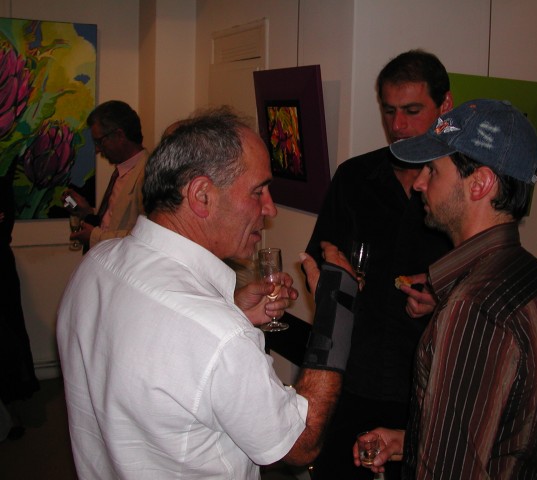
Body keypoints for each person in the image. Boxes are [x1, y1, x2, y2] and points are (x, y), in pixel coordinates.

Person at [57, 108, 359, 479]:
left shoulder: (97, 263)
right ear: (202, 195)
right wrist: (336, 310)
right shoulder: (217, 334)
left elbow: (157, 347)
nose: (270, 209)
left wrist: (232, 311)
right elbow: (300, 444)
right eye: (258, 191)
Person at [353, 99, 537, 479]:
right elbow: (499, 437)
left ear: (480, 183)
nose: (419, 183)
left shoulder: (474, 306)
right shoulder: (535, 279)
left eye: (433, 170)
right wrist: (411, 441)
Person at [306, 49, 453, 479]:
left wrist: (443, 300)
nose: (398, 126)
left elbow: (486, 278)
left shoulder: (466, 187)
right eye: (389, 111)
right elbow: (321, 258)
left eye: (412, 111)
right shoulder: (353, 178)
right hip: (352, 382)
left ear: (445, 106)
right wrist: (333, 280)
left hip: (430, 391)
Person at [63, 100, 147, 252]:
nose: (97, 150)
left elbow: (145, 238)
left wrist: (94, 237)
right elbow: (113, 222)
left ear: (119, 135)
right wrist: (87, 212)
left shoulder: (148, 174)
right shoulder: (122, 172)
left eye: (100, 142)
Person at [0, 164, 39, 441]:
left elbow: (4, 230)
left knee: (7, 337)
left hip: (0, 270)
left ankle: (11, 407)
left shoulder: (2, 185)